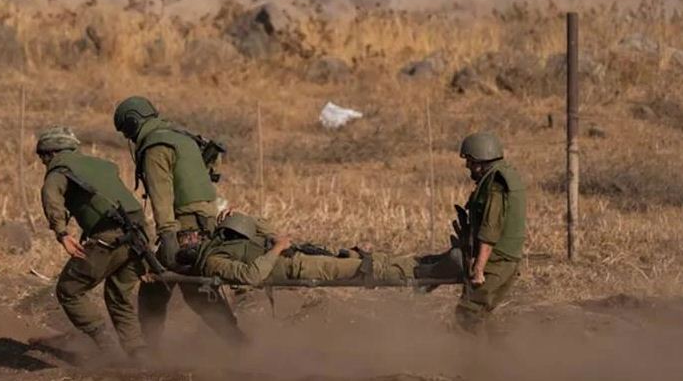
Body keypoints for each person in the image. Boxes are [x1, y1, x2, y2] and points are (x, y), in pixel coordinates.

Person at [112, 96, 246, 347]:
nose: (128, 137)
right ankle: (237, 342)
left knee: (161, 289)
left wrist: (168, 236)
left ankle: (151, 351)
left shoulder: (155, 147)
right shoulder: (182, 137)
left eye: (126, 131)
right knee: (195, 289)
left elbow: (161, 196)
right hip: (207, 221)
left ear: (132, 122)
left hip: (186, 228)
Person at [37, 126, 148, 358]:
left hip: (109, 236)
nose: (43, 163)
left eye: (43, 157)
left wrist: (62, 233)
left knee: (69, 290)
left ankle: (109, 351)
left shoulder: (59, 169)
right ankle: (139, 353)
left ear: (52, 153)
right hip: (141, 235)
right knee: (119, 296)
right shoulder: (100, 165)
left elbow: (50, 195)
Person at [186, 213, 464, 286]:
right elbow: (251, 276)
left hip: (301, 255)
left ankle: (432, 262)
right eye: (187, 239)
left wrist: (243, 218)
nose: (193, 235)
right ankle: (433, 272)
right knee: (364, 269)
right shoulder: (212, 261)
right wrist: (277, 249)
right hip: (296, 267)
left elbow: (271, 232)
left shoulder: (222, 241)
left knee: (366, 257)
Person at [455, 132, 526, 333]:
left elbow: (490, 229)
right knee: (481, 316)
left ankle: (475, 354)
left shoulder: (495, 184)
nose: (467, 166)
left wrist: (479, 268)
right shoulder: (508, 175)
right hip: (507, 260)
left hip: (496, 262)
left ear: (480, 161)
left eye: (470, 161)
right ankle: (494, 351)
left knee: (468, 314)